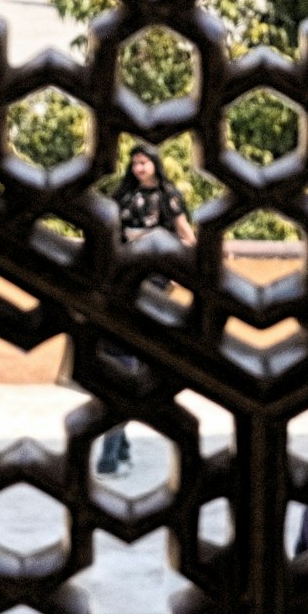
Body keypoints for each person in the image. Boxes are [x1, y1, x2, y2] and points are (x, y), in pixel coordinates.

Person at [97, 150, 190, 477]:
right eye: (134, 163)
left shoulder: (168, 196)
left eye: (144, 163)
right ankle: (115, 443)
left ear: (155, 164)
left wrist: (185, 274)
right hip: (123, 280)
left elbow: (185, 236)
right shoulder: (122, 196)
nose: (138, 168)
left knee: (130, 358)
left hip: (154, 282)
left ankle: (113, 444)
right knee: (122, 356)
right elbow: (108, 235)